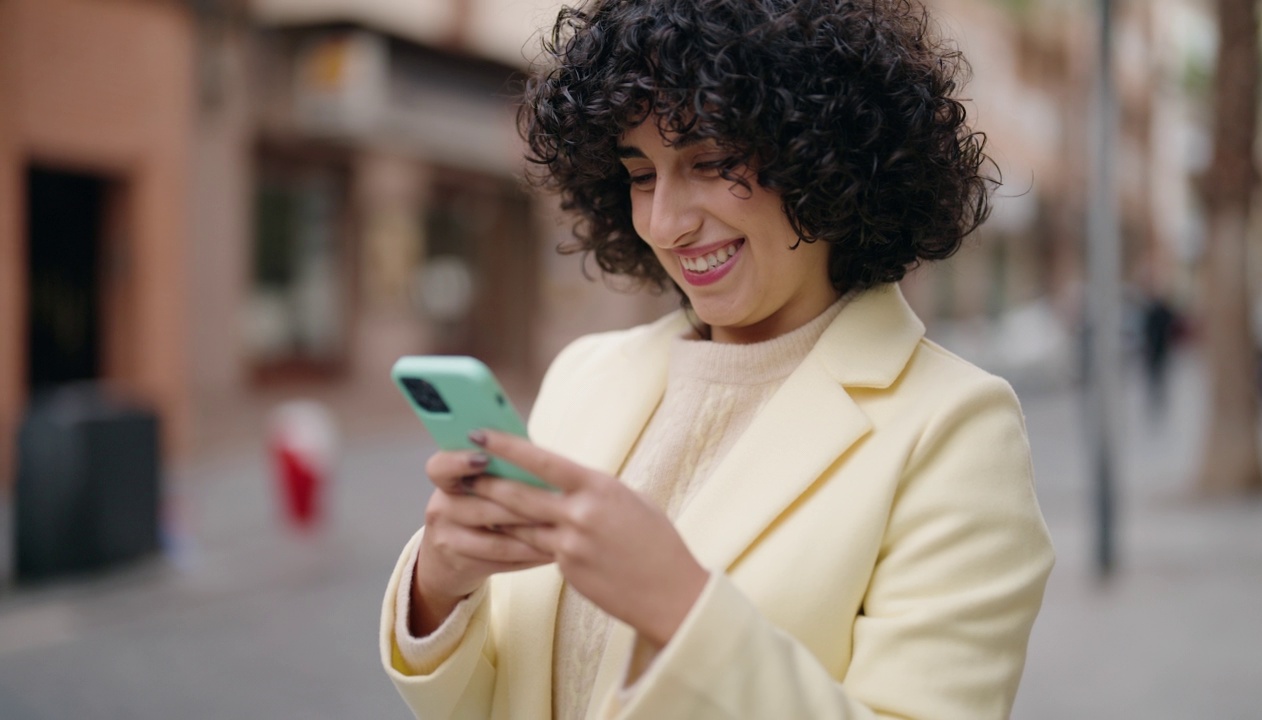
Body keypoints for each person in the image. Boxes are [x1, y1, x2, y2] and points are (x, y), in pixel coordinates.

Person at [379, 0, 1055, 718]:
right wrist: (440, 591)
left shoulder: (955, 429)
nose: (665, 223)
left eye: (712, 162)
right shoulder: (587, 373)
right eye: (641, 175)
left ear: (824, 155)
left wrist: (679, 606)